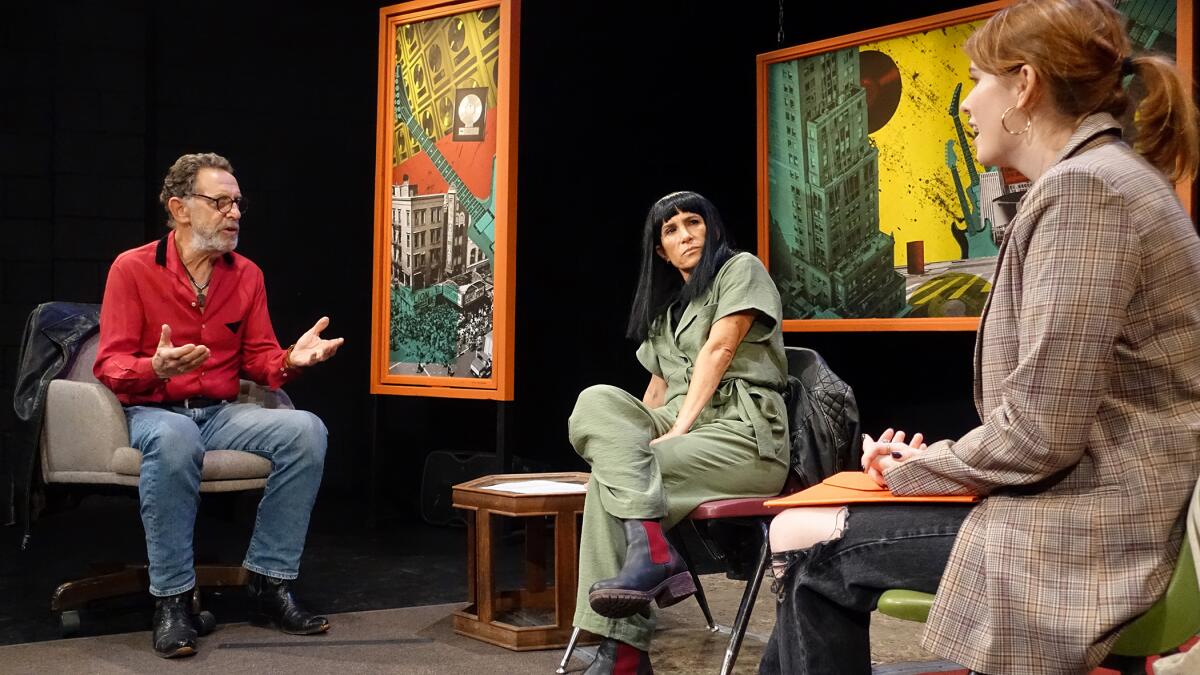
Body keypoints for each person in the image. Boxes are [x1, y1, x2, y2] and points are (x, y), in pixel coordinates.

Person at [759, 1, 1200, 673]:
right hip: (1089, 504)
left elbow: (1041, 434)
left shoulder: (1089, 191)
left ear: (1024, 84)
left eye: (975, 80)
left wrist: (915, 473)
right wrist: (940, 459)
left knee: (811, 553)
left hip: (1092, 530)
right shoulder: (1102, 180)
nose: (967, 104)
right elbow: (1050, 417)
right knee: (811, 541)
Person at [94, 153, 345, 658]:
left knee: (307, 430)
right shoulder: (133, 268)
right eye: (220, 202)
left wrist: (290, 360)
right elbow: (110, 363)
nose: (234, 214)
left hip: (222, 412)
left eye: (237, 203)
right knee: (176, 435)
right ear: (180, 208)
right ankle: (171, 601)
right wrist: (154, 369)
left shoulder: (246, 275)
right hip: (155, 412)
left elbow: (259, 359)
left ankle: (268, 583)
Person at [568, 191, 790, 673]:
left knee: (613, 488)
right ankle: (653, 552)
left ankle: (622, 653)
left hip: (743, 431)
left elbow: (720, 349)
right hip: (681, 423)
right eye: (671, 230)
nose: (685, 234)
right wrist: (626, 450)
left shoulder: (740, 269)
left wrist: (675, 432)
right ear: (659, 250)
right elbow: (655, 391)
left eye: (694, 222)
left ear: (711, 229)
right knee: (596, 401)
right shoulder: (668, 311)